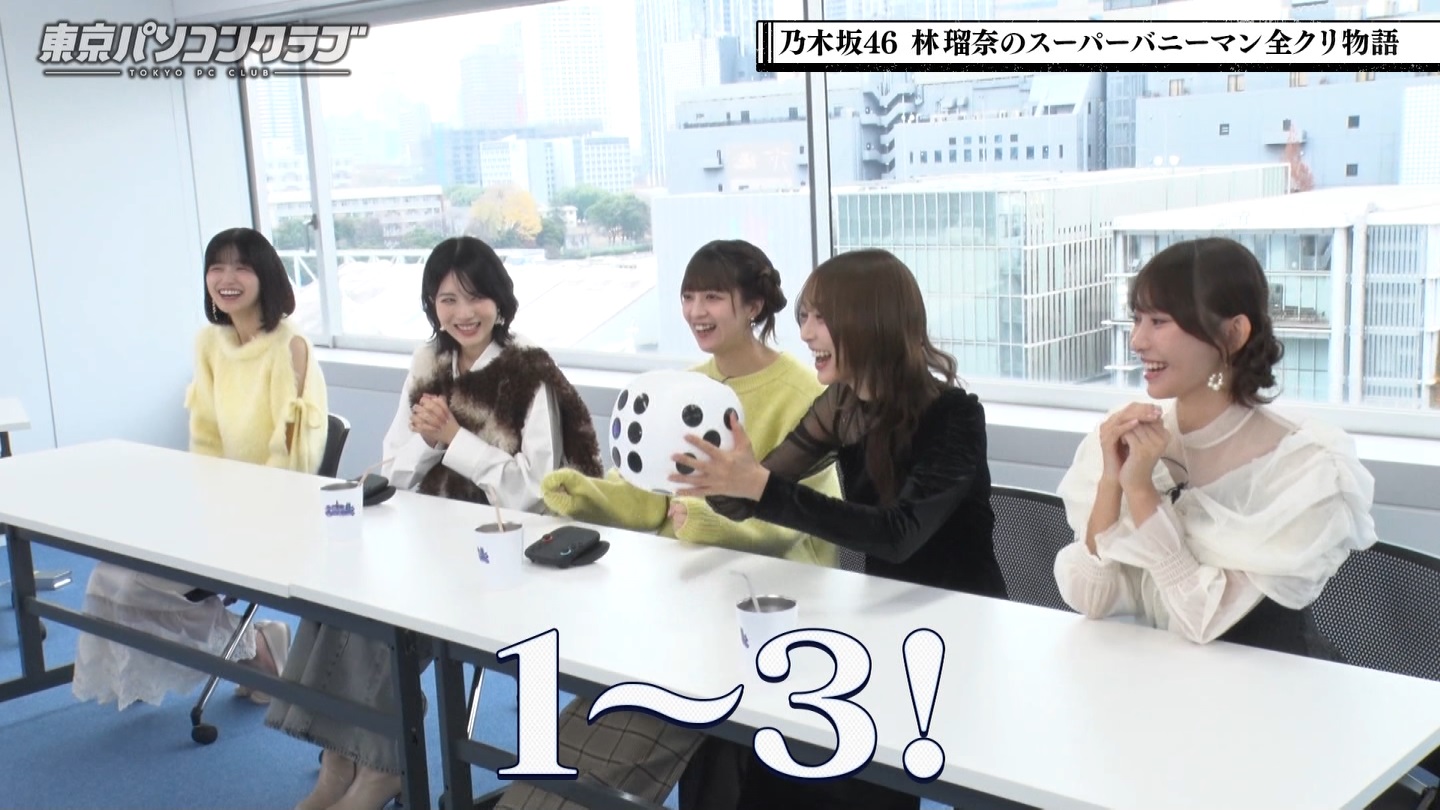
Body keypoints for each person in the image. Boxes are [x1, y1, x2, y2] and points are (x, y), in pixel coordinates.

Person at [493, 239, 841, 810]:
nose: (696, 311)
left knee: (618, 732)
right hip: (681, 601)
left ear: (754, 306)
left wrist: (706, 520)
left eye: (713, 297)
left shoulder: (802, 394)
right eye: (688, 297)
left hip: (760, 610)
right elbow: (651, 499)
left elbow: (803, 521)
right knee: (591, 728)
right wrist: (587, 495)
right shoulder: (688, 384)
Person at [266, 236, 604, 810]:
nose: (463, 313)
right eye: (448, 300)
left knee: (380, 622)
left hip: (504, 556)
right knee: (334, 599)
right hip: (430, 538)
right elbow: (393, 468)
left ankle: (382, 769)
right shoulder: (429, 362)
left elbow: (537, 493)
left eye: (475, 297)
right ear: (431, 304)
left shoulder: (528, 372)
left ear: (500, 300)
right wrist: (430, 443)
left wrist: (455, 439)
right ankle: (339, 763)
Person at [673, 248, 1008, 810]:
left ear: (871, 321)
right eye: (804, 316)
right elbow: (755, 495)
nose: (806, 333)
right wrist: (722, 478)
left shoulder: (954, 416)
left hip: (957, 631)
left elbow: (897, 534)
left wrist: (758, 487)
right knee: (778, 750)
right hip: (883, 620)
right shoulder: (842, 404)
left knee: (843, 767)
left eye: (821, 318)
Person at [1052, 237, 1377, 656]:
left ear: (1233, 333)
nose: (1137, 341)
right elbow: (1090, 599)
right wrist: (1113, 482)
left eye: (1159, 321)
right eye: (1137, 319)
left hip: (1270, 686)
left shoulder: (1304, 466)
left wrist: (1143, 493)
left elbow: (1201, 620)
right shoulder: (1128, 436)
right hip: (1158, 680)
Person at [73, 227, 325, 710]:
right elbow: (205, 438)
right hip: (216, 510)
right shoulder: (210, 343)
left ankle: (257, 652)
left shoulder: (289, 346)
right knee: (111, 575)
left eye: (241, 267)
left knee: (140, 583)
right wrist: (199, 507)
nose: (227, 278)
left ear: (266, 276)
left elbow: (291, 458)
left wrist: (232, 514)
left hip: (272, 514)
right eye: (217, 267)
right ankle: (258, 643)